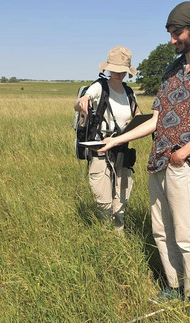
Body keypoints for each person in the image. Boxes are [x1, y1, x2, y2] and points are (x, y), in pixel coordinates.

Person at [98, 2, 190, 298]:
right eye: (169, 33)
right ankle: (173, 287)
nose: (172, 40)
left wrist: (183, 154)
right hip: (156, 162)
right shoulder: (171, 69)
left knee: (187, 235)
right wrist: (118, 139)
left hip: (183, 164)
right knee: (161, 231)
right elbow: (156, 117)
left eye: (176, 33)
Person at [74, 46, 141, 231]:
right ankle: (104, 236)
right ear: (109, 68)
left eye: (122, 71)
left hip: (123, 152)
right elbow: (79, 103)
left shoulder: (129, 93)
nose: (118, 74)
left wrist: (136, 119)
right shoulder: (99, 87)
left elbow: (138, 113)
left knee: (121, 200)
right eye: (115, 69)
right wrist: (82, 102)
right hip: (101, 151)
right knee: (103, 203)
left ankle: (118, 236)